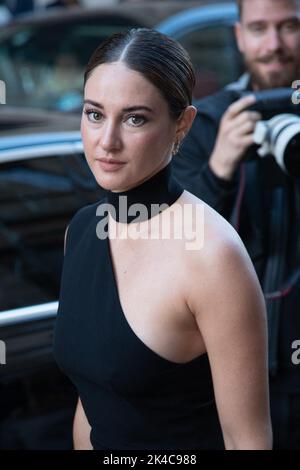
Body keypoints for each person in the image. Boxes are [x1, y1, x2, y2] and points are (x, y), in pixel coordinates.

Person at [53, 28, 272, 450]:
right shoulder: (80, 230)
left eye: (135, 118)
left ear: (182, 125)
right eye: (94, 114)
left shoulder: (212, 256)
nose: (107, 141)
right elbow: (92, 402)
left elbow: (248, 440)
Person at [172, 0, 300, 450]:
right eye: (260, 28)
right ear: (239, 35)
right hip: (228, 371)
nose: (274, 45)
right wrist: (219, 168)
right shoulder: (203, 123)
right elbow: (173, 246)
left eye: (289, 27)